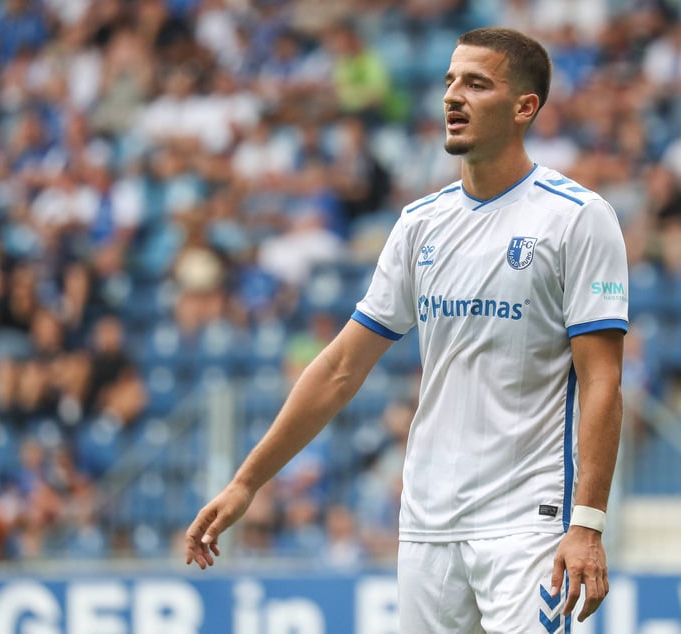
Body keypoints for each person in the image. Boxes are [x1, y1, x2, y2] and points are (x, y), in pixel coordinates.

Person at [185, 27, 628, 632]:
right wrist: (245, 482)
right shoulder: (420, 225)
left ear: (525, 107)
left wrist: (588, 524)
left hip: (528, 520)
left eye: (477, 84)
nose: (453, 96)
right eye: (450, 81)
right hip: (428, 524)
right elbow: (341, 368)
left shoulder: (577, 219)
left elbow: (602, 380)